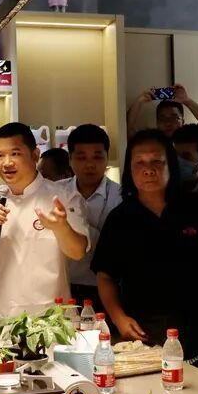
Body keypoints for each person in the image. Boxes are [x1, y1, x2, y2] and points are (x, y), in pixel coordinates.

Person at [93, 130, 198, 381]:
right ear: (130, 169)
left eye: (157, 162)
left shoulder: (197, 208)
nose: (148, 169)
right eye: (140, 163)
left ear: (171, 165)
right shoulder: (120, 219)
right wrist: (119, 318)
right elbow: (105, 276)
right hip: (147, 332)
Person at [0, 123, 90, 335]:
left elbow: (78, 251)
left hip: (52, 324)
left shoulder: (63, 197)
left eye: (15, 153)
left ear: (35, 155)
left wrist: (61, 227)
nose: (7, 162)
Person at [59, 124, 122, 314]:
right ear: (70, 160)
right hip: (63, 288)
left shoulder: (122, 197)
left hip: (108, 290)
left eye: (97, 157)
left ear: (107, 158)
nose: (90, 164)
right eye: (81, 157)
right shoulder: (56, 193)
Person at [126, 84, 198, 138]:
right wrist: (140, 101)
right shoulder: (152, 143)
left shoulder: (189, 142)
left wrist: (187, 101)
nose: (168, 123)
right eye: (163, 118)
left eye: (174, 118)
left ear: (182, 121)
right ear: (157, 122)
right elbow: (128, 131)